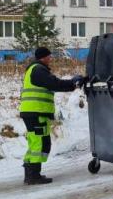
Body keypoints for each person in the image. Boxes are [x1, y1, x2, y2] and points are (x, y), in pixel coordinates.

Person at [19, 47, 85, 185]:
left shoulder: (34, 69)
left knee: (34, 142)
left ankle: (30, 173)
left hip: (32, 112)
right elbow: (54, 84)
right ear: (43, 57)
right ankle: (33, 176)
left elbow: (52, 83)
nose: (51, 59)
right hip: (36, 112)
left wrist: (72, 83)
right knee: (40, 143)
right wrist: (73, 83)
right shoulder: (38, 69)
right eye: (49, 56)